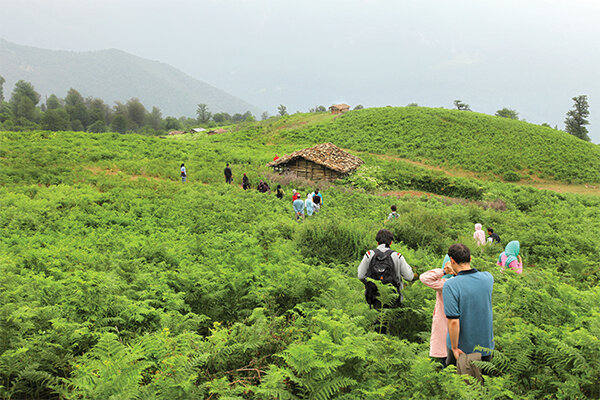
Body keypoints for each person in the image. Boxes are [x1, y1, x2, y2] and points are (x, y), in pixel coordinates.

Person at [443, 244, 494, 367]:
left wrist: (454, 348)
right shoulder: (488, 278)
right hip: (486, 346)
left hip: (462, 348)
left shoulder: (450, 285)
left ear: (452, 261)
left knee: (457, 383)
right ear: (470, 258)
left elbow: (453, 321)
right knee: (484, 382)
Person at [357, 229, 415, 308]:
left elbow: (360, 276)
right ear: (390, 242)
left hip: (374, 297)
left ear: (377, 242)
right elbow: (409, 277)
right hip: (393, 299)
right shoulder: (397, 256)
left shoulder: (369, 254)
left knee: (376, 318)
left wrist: (368, 283)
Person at [420, 255, 456, 366]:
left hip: (445, 328)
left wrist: (443, 271)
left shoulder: (443, 284)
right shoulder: (462, 283)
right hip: (459, 328)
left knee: (447, 363)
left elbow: (424, 277)